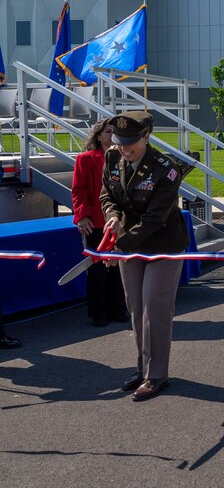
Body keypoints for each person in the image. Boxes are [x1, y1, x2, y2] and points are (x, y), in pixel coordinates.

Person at [100, 111, 191, 402]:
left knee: (155, 307)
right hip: (129, 241)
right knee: (136, 307)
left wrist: (120, 247)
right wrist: (113, 217)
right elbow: (107, 195)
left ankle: (157, 375)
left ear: (147, 136)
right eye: (119, 141)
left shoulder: (167, 169)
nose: (124, 148)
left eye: (130, 143)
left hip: (163, 244)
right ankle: (142, 369)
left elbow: (155, 218)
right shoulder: (113, 158)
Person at [73, 118, 128, 327]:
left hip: (119, 221)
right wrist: (82, 216)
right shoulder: (85, 159)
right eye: (107, 131)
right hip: (95, 221)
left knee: (117, 268)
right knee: (96, 270)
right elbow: (78, 190)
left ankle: (118, 308)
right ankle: (98, 313)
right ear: (98, 135)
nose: (111, 135)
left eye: (114, 132)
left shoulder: (124, 157)